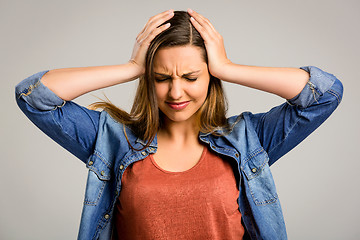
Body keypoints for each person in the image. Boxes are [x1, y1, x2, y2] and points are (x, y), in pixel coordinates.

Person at [15, 9, 343, 240]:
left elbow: (325, 93)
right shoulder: (113, 140)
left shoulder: (248, 139)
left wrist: (228, 67)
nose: (175, 92)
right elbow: (33, 95)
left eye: (190, 77)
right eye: (160, 78)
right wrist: (131, 66)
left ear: (210, 77)